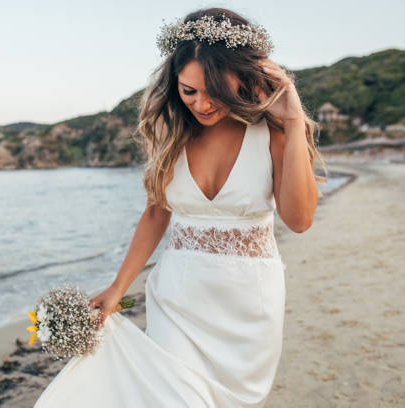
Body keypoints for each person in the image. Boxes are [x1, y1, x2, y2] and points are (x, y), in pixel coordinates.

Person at [34, 7, 327, 407]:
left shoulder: (274, 135)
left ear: (241, 79)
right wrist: (118, 288)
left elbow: (299, 220)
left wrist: (294, 123)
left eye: (213, 91)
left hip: (247, 309)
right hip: (178, 298)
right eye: (189, 91)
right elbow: (156, 213)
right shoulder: (171, 135)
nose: (201, 104)